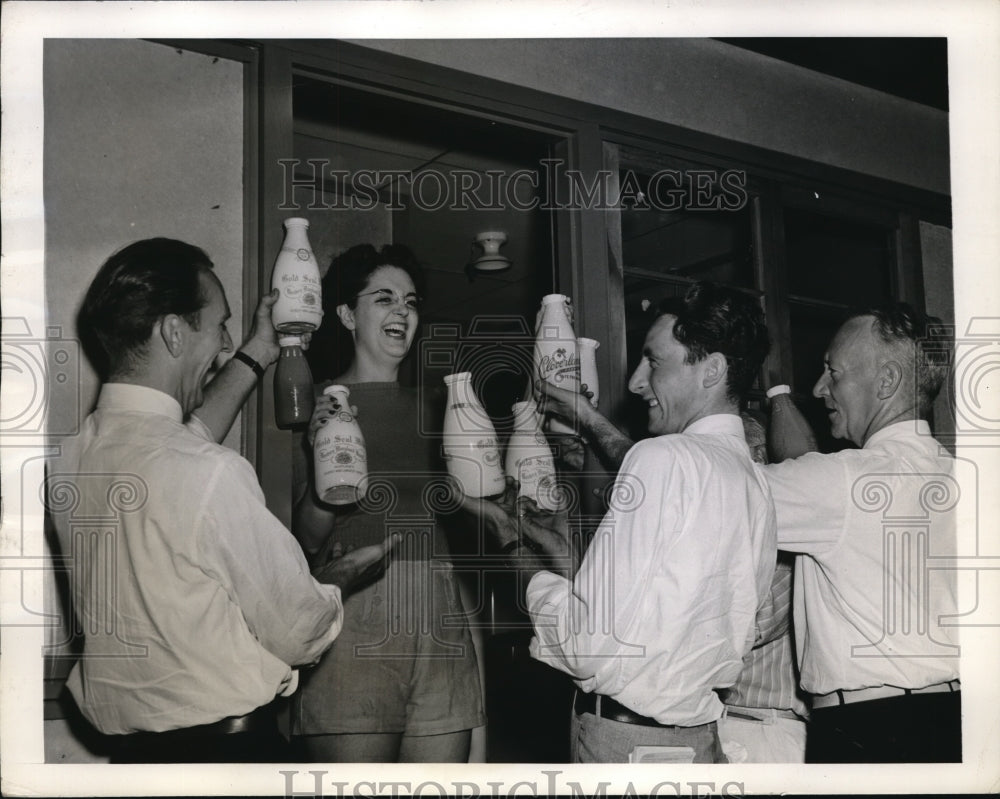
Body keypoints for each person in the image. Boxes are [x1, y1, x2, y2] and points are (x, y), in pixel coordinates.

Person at [49, 238, 394, 762]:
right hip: (225, 759)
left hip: (133, 764)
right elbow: (299, 633)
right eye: (219, 326)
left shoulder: (69, 460)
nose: (227, 342)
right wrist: (338, 579)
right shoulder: (210, 473)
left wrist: (260, 349)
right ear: (172, 331)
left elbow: (180, 445)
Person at [463, 282, 776, 763]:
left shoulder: (661, 459)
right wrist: (567, 558)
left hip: (628, 747)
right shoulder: (753, 481)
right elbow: (664, 614)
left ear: (712, 369)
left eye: (654, 361)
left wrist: (512, 549)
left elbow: (586, 646)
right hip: (700, 743)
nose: (634, 381)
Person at [538, 370, 809, 764]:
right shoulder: (711, 505)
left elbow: (750, 618)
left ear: (759, 458)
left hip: (762, 732)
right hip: (715, 725)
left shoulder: (770, 518)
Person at [290, 243, 485, 763]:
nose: (402, 310)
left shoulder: (438, 408)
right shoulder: (323, 405)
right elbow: (307, 539)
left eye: (412, 301)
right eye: (384, 298)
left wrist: (477, 697)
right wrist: (323, 467)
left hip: (439, 618)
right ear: (348, 314)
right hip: (357, 616)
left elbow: (457, 547)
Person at [763, 303, 961, 763]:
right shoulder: (968, 478)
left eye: (833, 371)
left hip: (874, 729)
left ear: (887, 382)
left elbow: (702, 496)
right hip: (964, 722)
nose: (819, 388)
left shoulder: (846, 479)